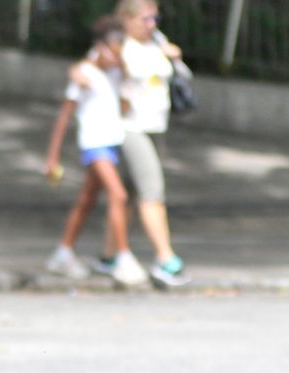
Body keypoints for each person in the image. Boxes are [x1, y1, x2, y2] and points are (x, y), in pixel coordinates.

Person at [43, 16, 147, 287]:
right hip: (94, 143)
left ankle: (63, 252)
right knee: (119, 194)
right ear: (100, 47)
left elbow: (125, 107)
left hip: (111, 142)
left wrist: (123, 74)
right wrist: (52, 157)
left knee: (87, 199)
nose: (117, 53)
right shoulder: (84, 75)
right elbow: (64, 116)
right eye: (113, 47)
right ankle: (123, 258)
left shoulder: (116, 73)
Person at [98, 0, 190, 288]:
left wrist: (172, 56)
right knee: (152, 190)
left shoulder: (155, 42)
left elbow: (183, 76)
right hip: (131, 127)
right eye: (146, 19)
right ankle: (166, 259)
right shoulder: (118, 45)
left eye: (155, 19)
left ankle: (110, 255)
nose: (152, 25)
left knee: (128, 193)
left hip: (154, 126)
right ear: (126, 19)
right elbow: (108, 70)